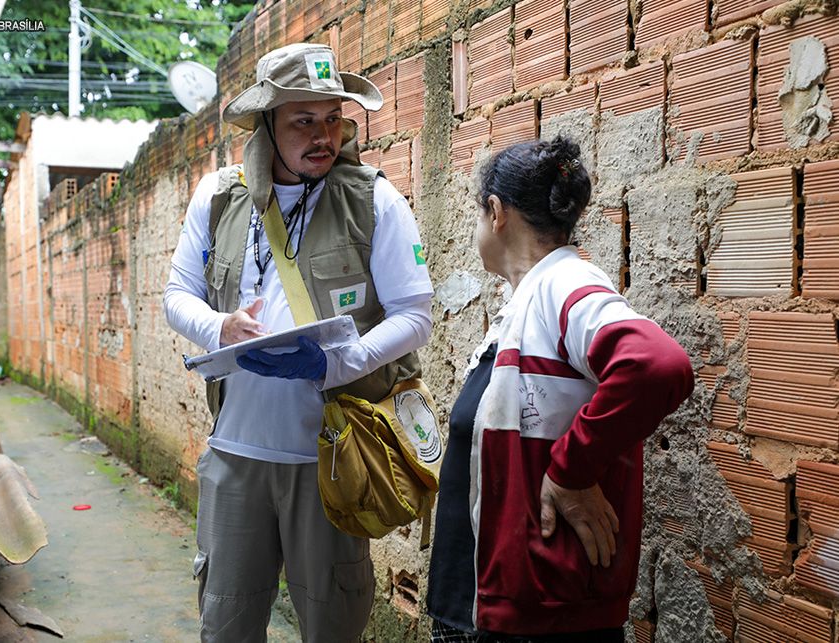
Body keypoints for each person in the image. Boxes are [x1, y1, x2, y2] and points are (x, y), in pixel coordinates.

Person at [163, 42, 434, 642]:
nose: (324, 136)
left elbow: (416, 313)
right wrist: (219, 327)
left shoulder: (374, 200)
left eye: (333, 118)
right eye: (303, 121)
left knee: (333, 626)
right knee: (226, 626)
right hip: (235, 458)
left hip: (333, 462)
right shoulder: (216, 198)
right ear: (266, 124)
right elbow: (176, 297)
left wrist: (343, 361)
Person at [425, 137, 694, 642]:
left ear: (496, 212)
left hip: (544, 613)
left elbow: (658, 365)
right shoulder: (522, 305)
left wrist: (571, 472)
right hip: (490, 598)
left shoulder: (564, 284)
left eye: (477, 215)